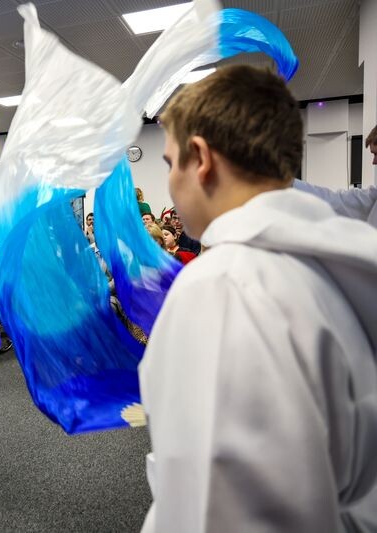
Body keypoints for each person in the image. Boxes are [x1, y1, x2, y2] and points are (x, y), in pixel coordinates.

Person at [140, 65, 377, 532]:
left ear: (200, 158)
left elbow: (221, 512)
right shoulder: (331, 263)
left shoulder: (224, 288)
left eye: (170, 163)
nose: (170, 182)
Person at [294, 123, 377, 227]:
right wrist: (288, 183)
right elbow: (336, 201)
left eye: (376, 154)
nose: (374, 161)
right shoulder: (373, 197)